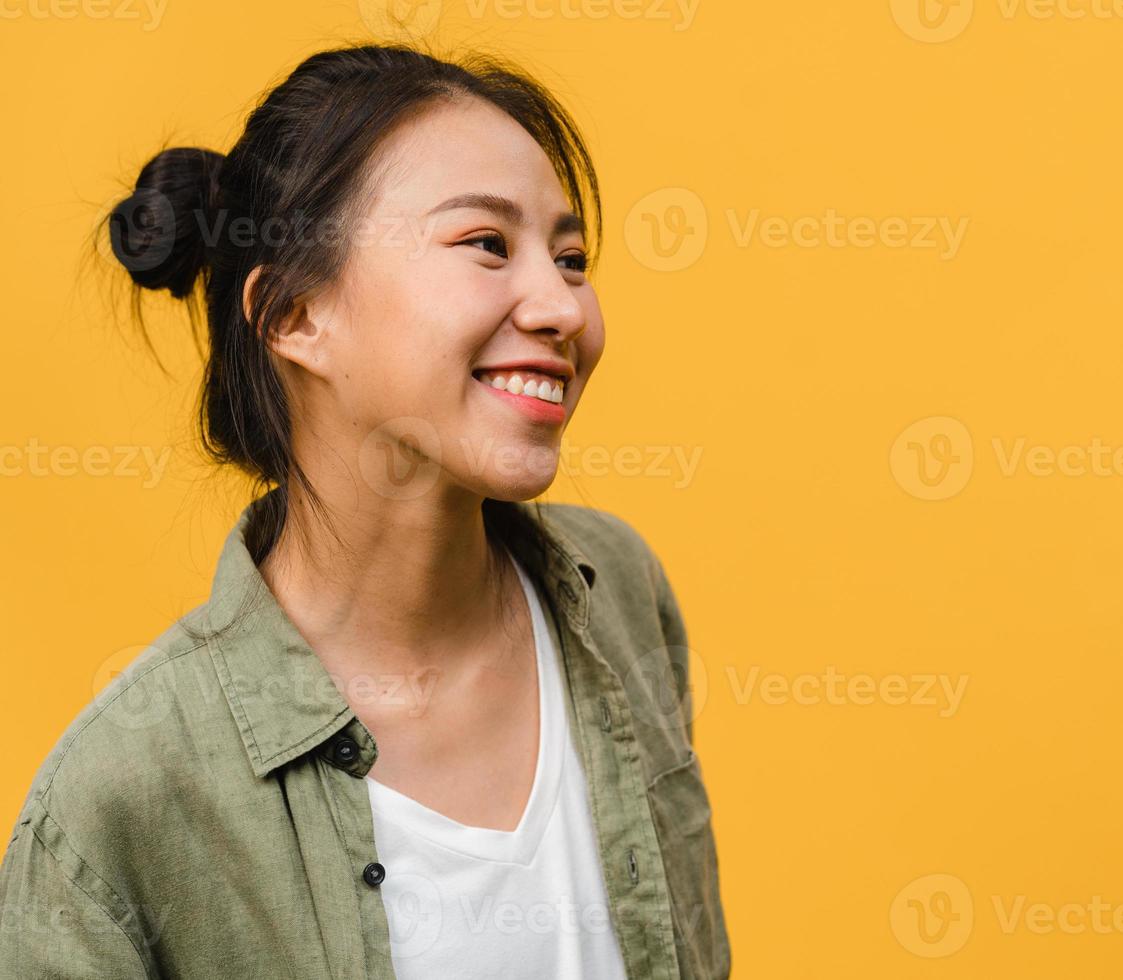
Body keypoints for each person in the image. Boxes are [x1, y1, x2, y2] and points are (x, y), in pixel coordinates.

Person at [0, 42, 729, 980]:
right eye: (486, 245)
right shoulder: (118, 803)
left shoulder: (619, 591)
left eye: (573, 257)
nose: (563, 308)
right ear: (296, 315)